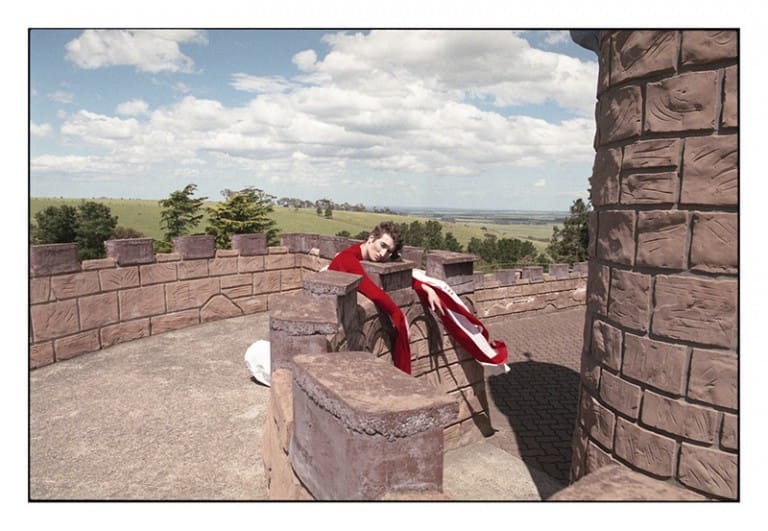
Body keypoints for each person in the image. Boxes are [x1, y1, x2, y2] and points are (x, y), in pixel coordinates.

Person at [329, 221, 507, 375]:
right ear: (371, 238)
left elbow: (401, 277)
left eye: (389, 251)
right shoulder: (348, 258)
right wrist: (397, 314)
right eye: (382, 245)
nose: (383, 254)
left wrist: (424, 287)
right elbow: (372, 290)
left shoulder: (365, 256)